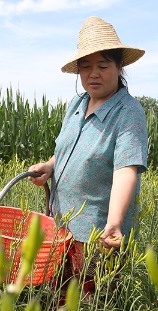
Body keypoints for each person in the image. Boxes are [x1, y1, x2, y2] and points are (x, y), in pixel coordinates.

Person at [28, 16, 148, 301]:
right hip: (60, 226)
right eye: (86, 67)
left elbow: (126, 168)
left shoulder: (128, 112)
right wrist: (48, 166)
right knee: (58, 295)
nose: (94, 74)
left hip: (96, 236)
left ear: (120, 67)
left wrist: (115, 223)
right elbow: (67, 151)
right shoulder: (77, 104)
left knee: (89, 301)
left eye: (103, 66)